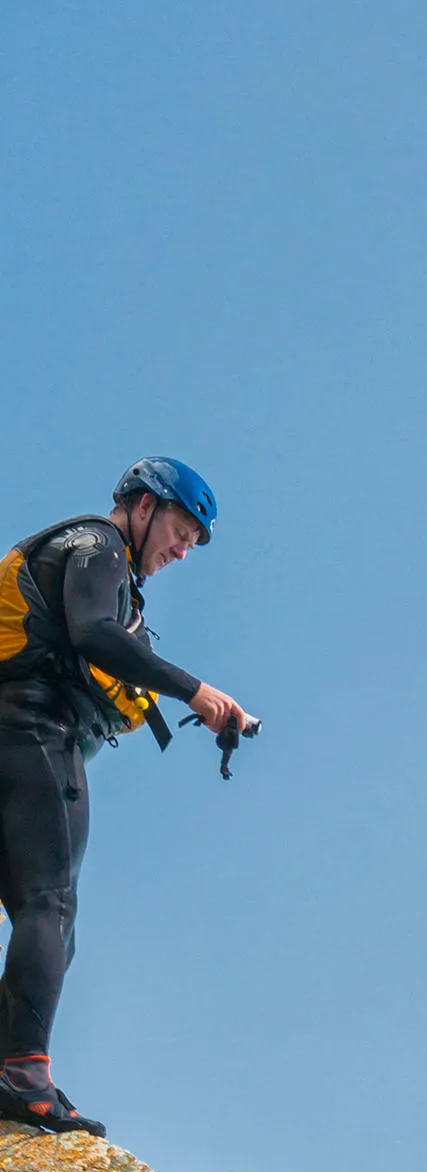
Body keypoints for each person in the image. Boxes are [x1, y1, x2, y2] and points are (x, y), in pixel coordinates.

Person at [0, 461, 257, 1134]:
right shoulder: (98, 546)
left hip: (13, 724)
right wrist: (196, 690)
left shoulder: (100, 565)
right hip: (28, 729)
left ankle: (11, 1067)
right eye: (181, 530)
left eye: (194, 543)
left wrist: (190, 707)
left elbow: (105, 659)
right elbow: (94, 635)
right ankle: (21, 1074)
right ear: (143, 506)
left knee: (35, 910)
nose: (182, 550)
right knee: (49, 904)